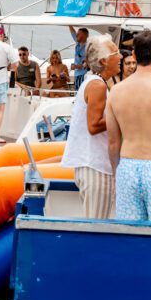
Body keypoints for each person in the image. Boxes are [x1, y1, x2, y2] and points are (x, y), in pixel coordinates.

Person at [61, 34, 121, 218]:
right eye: (116, 53)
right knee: (96, 227)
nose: (120, 56)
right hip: (95, 166)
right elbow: (93, 126)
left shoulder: (94, 82)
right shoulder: (98, 86)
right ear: (104, 61)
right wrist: (121, 116)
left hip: (92, 165)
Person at [107, 30, 151, 221]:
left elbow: (113, 143)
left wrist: (116, 173)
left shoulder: (116, 92)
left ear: (135, 55)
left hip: (128, 167)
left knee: (130, 234)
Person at [69, 26, 89, 91]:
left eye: (78, 34)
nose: (76, 35)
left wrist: (76, 66)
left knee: (81, 93)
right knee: (77, 92)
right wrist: (69, 23)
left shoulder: (87, 48)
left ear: (84, 36)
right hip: (76, 74)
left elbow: (87, 64)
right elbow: (73, 32)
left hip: (83, 75)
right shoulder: (78, 42)